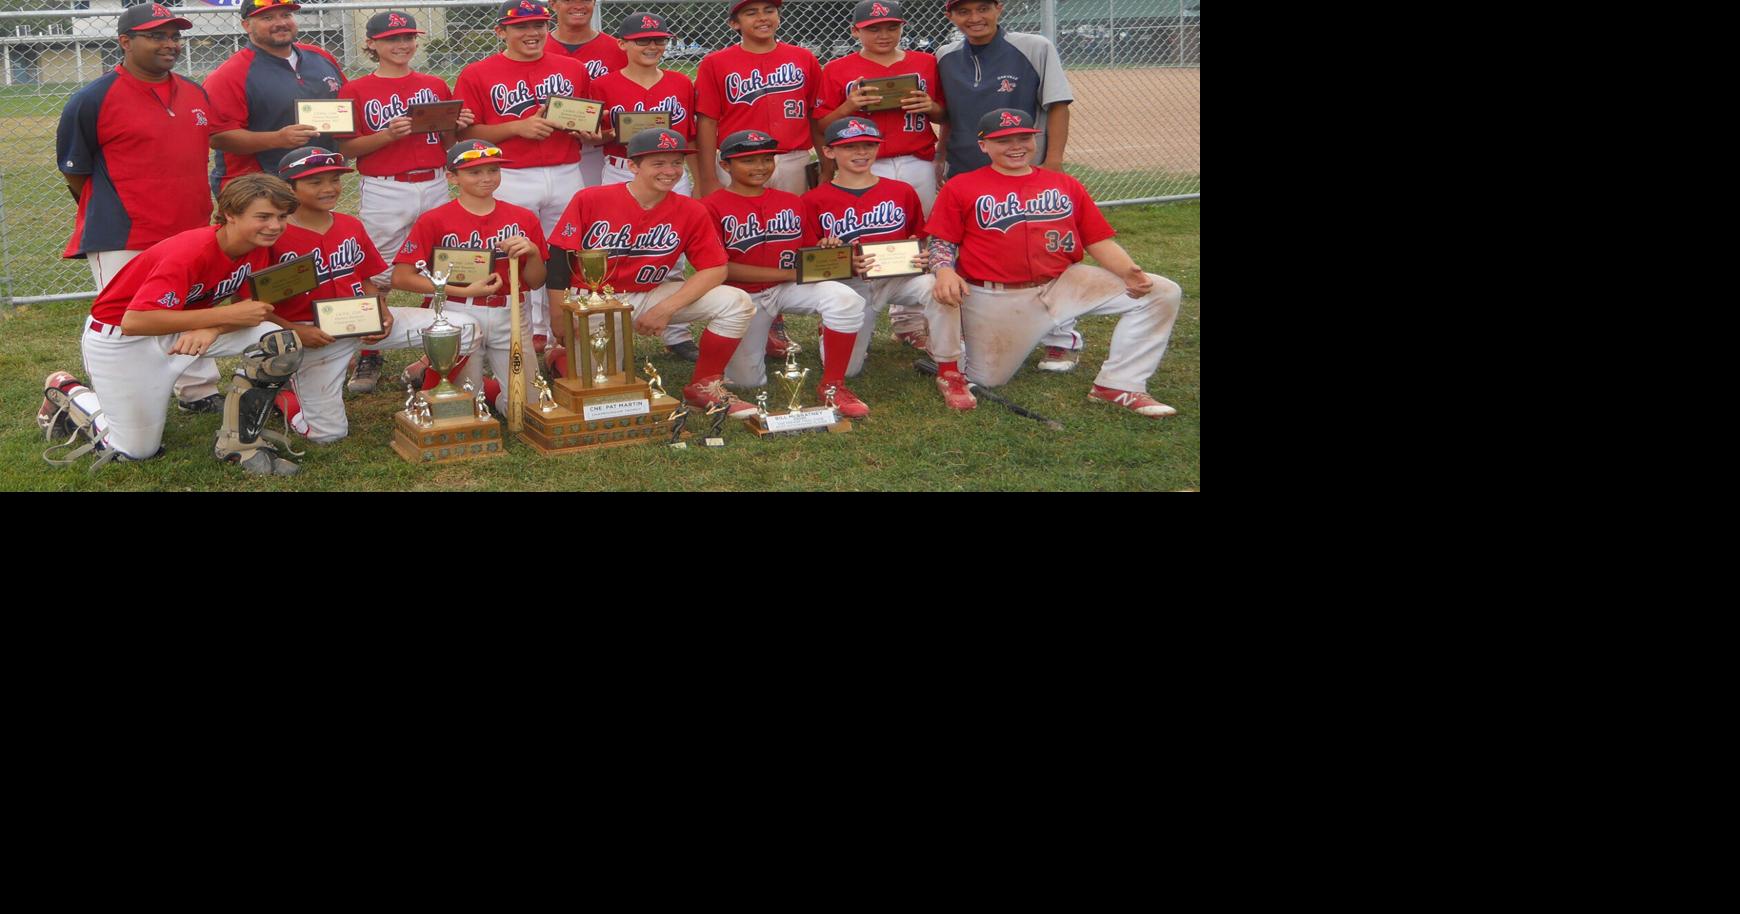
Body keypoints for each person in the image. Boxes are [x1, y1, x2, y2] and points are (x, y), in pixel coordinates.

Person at [924, 109, 1183, 418]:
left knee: (1161, 292)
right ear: (983, 146)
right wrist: (944, 270)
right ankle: (954, 344)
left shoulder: (1064, 184)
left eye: (1024, 137)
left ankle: (1119, 385)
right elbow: (941, 240)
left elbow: (1097, 239)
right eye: (1003, 140)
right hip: (999, 296)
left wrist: (1129, 271)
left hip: (1064, 283)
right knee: (987, 379)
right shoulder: (962, 186)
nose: (1016, 146)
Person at [54, 3, 234, 416]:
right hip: (123, 232)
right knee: (124, 320)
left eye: (174, 36)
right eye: (157, 35)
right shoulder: (91, 99)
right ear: (125, 41)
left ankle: (197, 389)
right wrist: (114, 206)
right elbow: (76, 173)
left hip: (189, 227)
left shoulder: (193, 91)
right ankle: (118, 400)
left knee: (190, 305)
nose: (169, 44)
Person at [70, 174, 308, 473]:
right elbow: (134, 321)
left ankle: (239, 442)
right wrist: (218, 317)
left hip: (181, 330)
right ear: (230, 215)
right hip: (120, 339)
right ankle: (70, 394)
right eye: (263, 216)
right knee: (136, 450)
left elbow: (249, 310)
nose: (274, 225)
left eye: (282, 216)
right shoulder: (191, 250)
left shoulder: (257, 244)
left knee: (277, 340)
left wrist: (212, 328)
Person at [267, 146, 481, 445]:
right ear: (289, 187)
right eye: (315, 182)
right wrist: (296, 331)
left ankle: (430, 394)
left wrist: (383, 310)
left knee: (466, 327)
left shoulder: (350, 225)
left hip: (363, 323)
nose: (329, 188)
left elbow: (367, 278)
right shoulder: (272, 234)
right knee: (327, 435)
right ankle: (286, 398)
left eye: (334, 179)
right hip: (314, 334)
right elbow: (255, 306)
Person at [545, 128, 759, 419]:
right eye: (658, 163)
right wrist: (559, 313)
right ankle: (561, 356)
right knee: (601, 389)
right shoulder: (591, 198)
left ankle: (706, 385)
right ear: (633, 166)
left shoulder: (690, 209)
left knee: (736, 301)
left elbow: (715, 267)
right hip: (591, 302)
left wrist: (666, 309)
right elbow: (558, 257)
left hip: (649, 294)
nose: (670, 171)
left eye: (675, 162)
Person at [936, 0, 1084, 373]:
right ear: (949, 15)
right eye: (963, 11)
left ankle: (1061, 339)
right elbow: (951, 115)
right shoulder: (944, 55)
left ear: (999, 8)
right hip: (967, 169)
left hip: (1025, 170)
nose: (975, 18)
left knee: (1044, 250)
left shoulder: (1034, 46)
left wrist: (1053, 163)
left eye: (983, 7)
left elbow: (1058, 105)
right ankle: (971, 331)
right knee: (973, 254)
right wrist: (941, 154)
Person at [336, 10, 474, 394]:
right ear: (372, 44)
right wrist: (386, 136)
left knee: (442, 263)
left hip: (432, 181)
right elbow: (346, 148)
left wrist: (458, 130)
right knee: (374, 270)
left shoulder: (433, 83)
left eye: (409, 37)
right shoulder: (356, 89)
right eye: (392, 39)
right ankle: (368, 350)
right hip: (384, 186)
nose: (402, 45)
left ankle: (438, 351)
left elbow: (450, 143)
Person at [456, 0, 598, 357]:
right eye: (520, 26)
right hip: (512, 174)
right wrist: (518, 127)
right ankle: (526, 329)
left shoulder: (573, 68)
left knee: (566, 252)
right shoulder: (477, 73)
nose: (532, 33)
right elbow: (468, 135)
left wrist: (588, 128)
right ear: (501, 31)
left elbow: (588, 118)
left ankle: (562, 331)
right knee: (519, 253)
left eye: (539, 25)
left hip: (567, 169)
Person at [706, 129, 870, 418]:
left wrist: (825, 251)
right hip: (742, 298)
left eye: (767, 159)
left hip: (787, 287)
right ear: (725, 165)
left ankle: (833, 385)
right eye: (748, 161)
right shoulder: (709, 207)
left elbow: (805, 253)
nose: (760, 167)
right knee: (746, 381)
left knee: (845, 298)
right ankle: (760, 335)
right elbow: (720, 267)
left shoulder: (791, 201)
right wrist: (787, 274)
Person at [695, 0, 823, 360]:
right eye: (751, 13)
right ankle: (740, 317)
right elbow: (706, 121)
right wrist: (707, 177)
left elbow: (816, 113)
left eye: (769, 9)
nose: (763, 18)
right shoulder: (715, 62)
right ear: (735, 23)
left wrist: (825, 167)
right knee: (742, 241)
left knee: (786, 238)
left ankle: (780, 322)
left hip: (793, 157)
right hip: (736, 163)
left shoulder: (803, 58)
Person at [392, 140, 546, 417]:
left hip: (511, 309)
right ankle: (456, 383)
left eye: (493, 170)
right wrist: (460, 291)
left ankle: (491, 392)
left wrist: (533, 253)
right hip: (456, 309)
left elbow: (535, 281)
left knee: (526, 411)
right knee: (458, 412)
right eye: (474, 172)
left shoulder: (523, 217)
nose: (486, 178)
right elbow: (401, 277)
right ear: (452, 177)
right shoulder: (434, 220)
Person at [589, 9, 702, 363]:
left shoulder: (681, 82)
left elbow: (690, 135)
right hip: (623, 169)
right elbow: (592, 134)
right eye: (642, 40)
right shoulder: (603, 83)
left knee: (674, 249)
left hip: (672, 172)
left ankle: (676, 331)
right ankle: (608, 325)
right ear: (622, 43)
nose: (652, 46)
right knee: (615, 245)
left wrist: (697, 182)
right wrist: (611, 133)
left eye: (658, 40)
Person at [803, 117, 934, 371]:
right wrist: (832, 255)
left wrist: (920, 254)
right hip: (849, 286)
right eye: (850, 146)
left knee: (935, 286)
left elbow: (916, 238)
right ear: (829, 151)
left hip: (895, 279)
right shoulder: (812, 200)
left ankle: (948, 361)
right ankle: (831, 325)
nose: (861, 152)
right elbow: (809, 265)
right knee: (848, 370)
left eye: (868, 145)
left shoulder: (902, 191)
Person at [814, 1, 945, 215]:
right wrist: (848, 106)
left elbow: (944, 116)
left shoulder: (926, 62)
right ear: (855, 31)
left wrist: (931, 107)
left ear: (902, 28)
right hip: (865, 160)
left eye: (892, 28)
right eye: (873, 29)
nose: (884, 35)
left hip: (917, 158)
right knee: (873, 226)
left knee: (920, 224)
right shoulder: (836, 69)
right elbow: (821, 125)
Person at [202, 0, 347, 193]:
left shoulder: (320, 57)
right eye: (267, 17)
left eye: (286, 15)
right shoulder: (229, 74)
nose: (280, 23)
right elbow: (219, 137)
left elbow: (348, 106)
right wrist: (278, 138)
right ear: (247, 25)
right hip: (257, 187)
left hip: (317, 180)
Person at [546, 0, 628, 190]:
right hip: (551, 145)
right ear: (553, 4)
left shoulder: (618, 49)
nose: (578, 5)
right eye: (568, 0)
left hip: (601, 147)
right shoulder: (534, 47)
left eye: (585, 0)